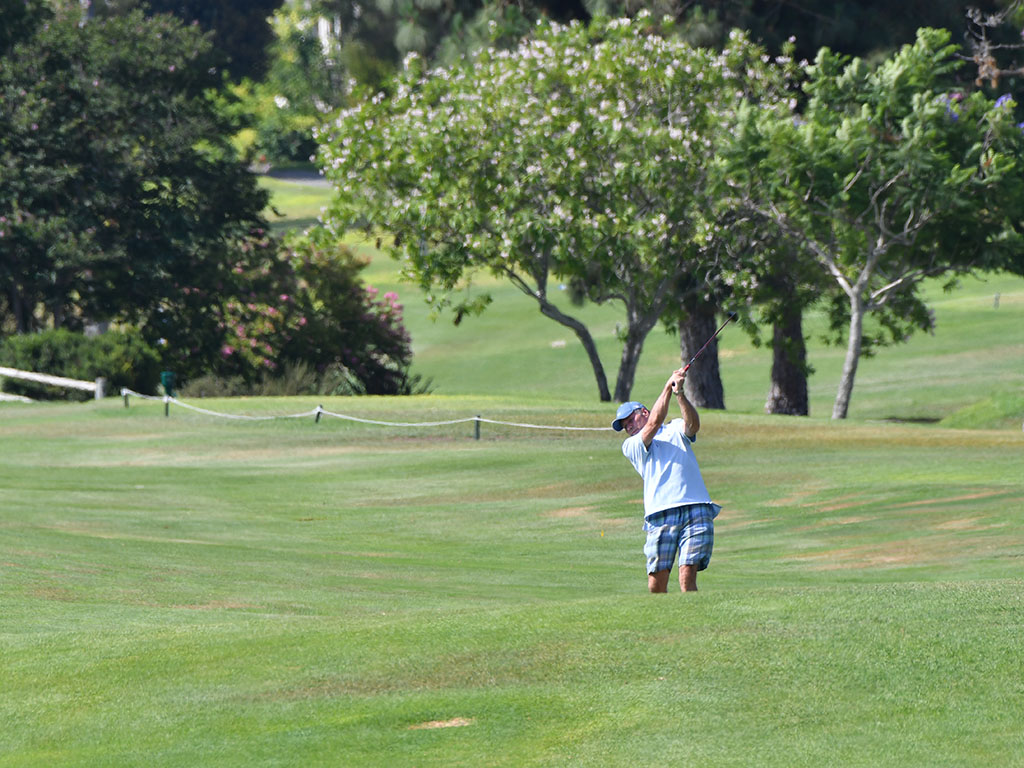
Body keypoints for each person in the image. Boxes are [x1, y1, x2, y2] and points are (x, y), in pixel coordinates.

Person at [612, 367, 721, 593]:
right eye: (625, 426)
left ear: (643, 411)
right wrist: (667, 387)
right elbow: (653, 424)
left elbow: (693, 425)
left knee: (687, 574)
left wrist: (679, 393)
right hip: (661, 513)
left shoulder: (674, 428)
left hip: (696, 507)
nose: (629, 427)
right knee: (656, 582)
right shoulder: (632, 445)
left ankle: (693, 620)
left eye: (630, 420)